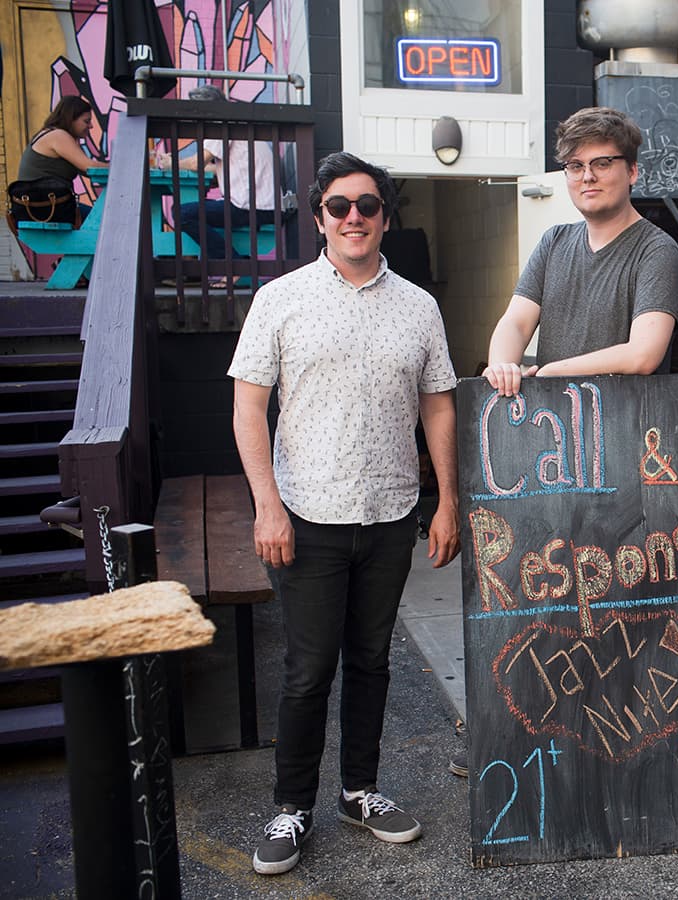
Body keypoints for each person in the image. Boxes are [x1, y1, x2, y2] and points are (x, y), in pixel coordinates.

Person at [229, 151, 459, 876]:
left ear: (386, 215)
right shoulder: (281, 299)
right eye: (339, 206)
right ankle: (292, 806)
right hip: (307, 516)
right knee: (307, 671)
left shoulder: (419, 307)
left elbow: (438, 404)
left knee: (370, 662)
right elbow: (247, 407)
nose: (353, 217)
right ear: (319, 216)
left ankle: (360, 791)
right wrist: (267, 505)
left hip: (390, 516)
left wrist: (448, 500)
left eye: (367, 205)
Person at [483, 106, 678, 396]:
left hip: (623, 431)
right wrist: (501, 366)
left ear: (632, 171)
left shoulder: (656, 250)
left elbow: (644, 354)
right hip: (555, 428)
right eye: (575, 166)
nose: (587, 176)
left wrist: (552, 373)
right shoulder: (554, 242)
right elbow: (515, 323)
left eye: (602, 163)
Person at [159, 84, 276, 274]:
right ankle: (234, 261)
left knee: (183, 213)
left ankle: (234, 265)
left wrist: (171, 163)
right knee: (193, 211)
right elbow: (219, 167)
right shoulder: (236, 122)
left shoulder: (220, 124)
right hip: (264, 204)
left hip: (252, 206)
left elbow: (198, 163)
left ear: (207, 110)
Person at [11, 96, 99, 222]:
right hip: (45, 207)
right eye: (86, 121)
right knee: (102, 221)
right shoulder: (58, 136)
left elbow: (87, 171)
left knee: (98, 218)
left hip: (41, 205)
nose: (90, 126)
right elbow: (89, 167)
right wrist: (120, 166)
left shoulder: (53, 134)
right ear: (71, 119)